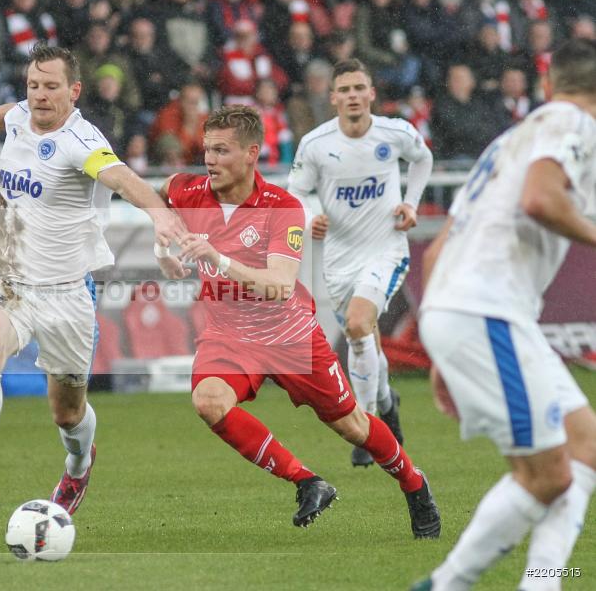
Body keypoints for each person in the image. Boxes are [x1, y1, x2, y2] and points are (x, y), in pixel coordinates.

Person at [153, 104, 439, 537]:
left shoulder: (281, 207)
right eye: (208, 149)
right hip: (229, 336)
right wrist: (163, 243)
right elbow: (157, 195)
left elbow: (280, 285)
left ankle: (414, 485)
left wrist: (218, 258)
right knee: (209, 401)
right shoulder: (189, 191)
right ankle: (307, 481)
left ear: (252, 153)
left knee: (353, 426)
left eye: (222, 150)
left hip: (291, 338)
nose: (209, 159)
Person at [0, 43, 184, 520]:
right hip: (9, 281)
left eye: (51, 86)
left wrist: (159, 215)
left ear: (73, 91)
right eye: (34, 85)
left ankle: (78, 464)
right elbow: (4, 115)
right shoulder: (18, 116)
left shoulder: (81, 141)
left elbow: (121, 178)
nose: (39, 95)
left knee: (67, 413)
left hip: (66, 293)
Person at [412, 39, 596, 591]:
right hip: (483, 309)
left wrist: (441, 344)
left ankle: (541, 583)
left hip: (470, 309)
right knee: (545, 476)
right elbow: (540, 200)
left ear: (547, 83)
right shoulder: (573, 123)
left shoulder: (513, 139)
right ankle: (445, 585)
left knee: (584, 444)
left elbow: (444, 244)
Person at [287, 58, 434, 467]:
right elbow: (296, 191)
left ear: (371, 94)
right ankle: (387, 403)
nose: (352, 96)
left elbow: (422, 160)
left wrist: (411, 203)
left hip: (386, 250)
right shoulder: (316, 143)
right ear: (333, 98)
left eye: (359, 88)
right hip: (338, 258)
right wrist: (310, 213)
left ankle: (367, 429)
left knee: (356, 324)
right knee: (361, 335)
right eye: (345, 90)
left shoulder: (395, 132)